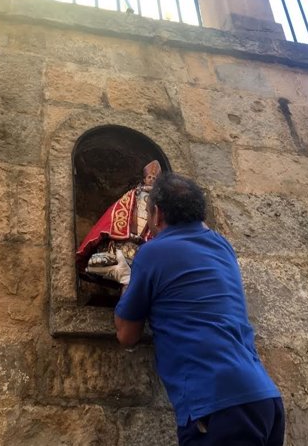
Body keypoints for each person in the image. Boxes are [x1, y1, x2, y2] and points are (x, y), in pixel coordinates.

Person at [108, 172, 284, 446]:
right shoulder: (222, 247)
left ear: (157, 214)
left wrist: (127, 282)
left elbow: (126, 334)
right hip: (264, 400)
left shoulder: (153, 252)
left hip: (218, 408)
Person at [76, 160, 162, 282]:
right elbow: (117, 212)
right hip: (125, 241)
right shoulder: (133, 195)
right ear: (144, 179)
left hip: (144, 246)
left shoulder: (159, 202)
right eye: (149, 177)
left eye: (154, 178)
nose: (152, 179)